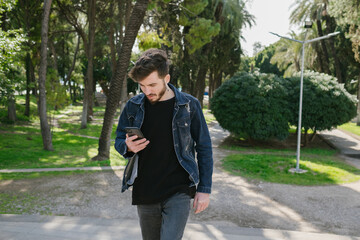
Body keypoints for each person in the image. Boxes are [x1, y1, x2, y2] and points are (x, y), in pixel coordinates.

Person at [114, 48, 213, 240]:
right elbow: (119, 140)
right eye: (142, 86)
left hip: (179, 190)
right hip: (145, 190)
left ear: (166, 78)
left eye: (152, 84)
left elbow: (204, 147)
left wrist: (204, 189)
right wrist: (127, 147)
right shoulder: (133, 106)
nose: (147, 91)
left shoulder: (189, 106)